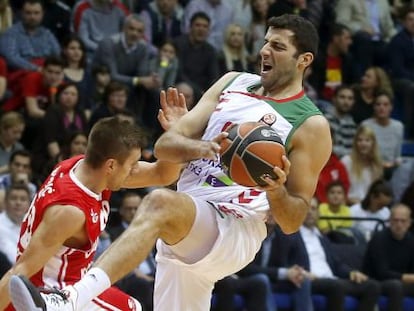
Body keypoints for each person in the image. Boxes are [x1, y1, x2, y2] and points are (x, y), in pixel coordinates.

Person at [8, 14, 332, 311]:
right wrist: (201, 145)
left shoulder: (311, 125)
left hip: (235, 227)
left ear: (304, 60)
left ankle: (69, 300)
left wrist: (275, 190)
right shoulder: (233, 82)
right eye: (265, 42)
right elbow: (166, 146)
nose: (265, 50)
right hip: (186, 226)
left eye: (277, 46)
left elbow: (292, 221)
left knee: (160, 202)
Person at [0, 108, 186, 310]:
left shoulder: (85, 168)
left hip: (74, 282)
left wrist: (176, 134)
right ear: (111, 166)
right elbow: (20, 271)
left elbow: (162, 174)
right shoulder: (70, 211)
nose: (135, 169)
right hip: (50, 294)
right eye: (132, 164)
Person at [363, 203, 414, 311]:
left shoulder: (411, 240)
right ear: (389, 221)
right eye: (395, 220)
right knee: (396, 286)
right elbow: (382, 272)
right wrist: (408, 278)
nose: (399, 224)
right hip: (376, 282)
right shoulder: (379, 239)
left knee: (398, 285)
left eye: (403, 221)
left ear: (410, 223)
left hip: (402, 282)